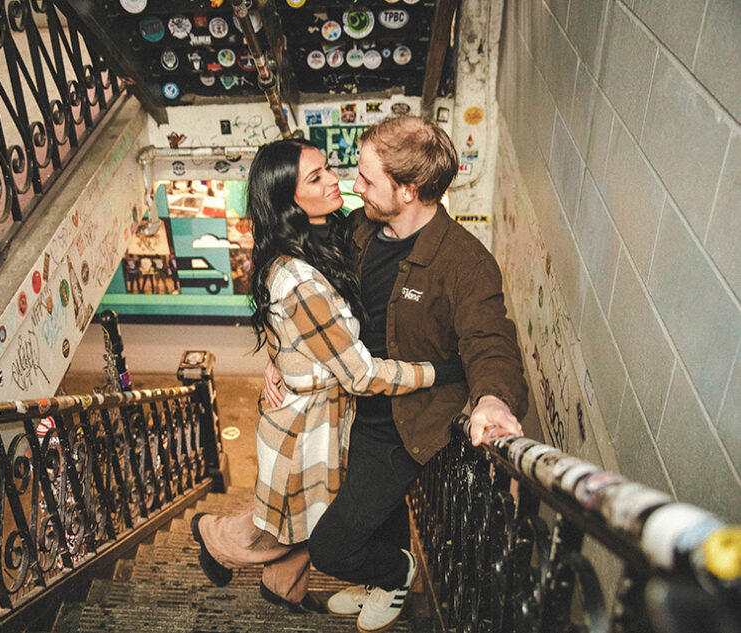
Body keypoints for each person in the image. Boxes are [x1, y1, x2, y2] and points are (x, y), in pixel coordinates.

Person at [259, 115, 525, 633]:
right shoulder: (359, 228)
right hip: (349, 411)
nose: (354, 186)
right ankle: (383, 582)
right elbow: (304, 298)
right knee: (379, 515)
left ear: (408, 191)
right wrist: (280, 351)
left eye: (366, 178)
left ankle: (397, 574)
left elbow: (490, 340)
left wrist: (493, 399)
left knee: (331, 545)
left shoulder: (465, 263)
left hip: (404, 427)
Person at [191, 139, 466, 614]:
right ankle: (214, 537)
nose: (335, 180)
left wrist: (280, 355)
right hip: (303, 427)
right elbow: (359, 375)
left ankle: (282, 588)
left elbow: (299, 332)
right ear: (289, 199)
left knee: (306, 517)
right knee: (288, 526)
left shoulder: (333, 233)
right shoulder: (298, 278)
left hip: (327, 415)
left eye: (327, 168)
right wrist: (440, 372)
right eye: (315, 178)